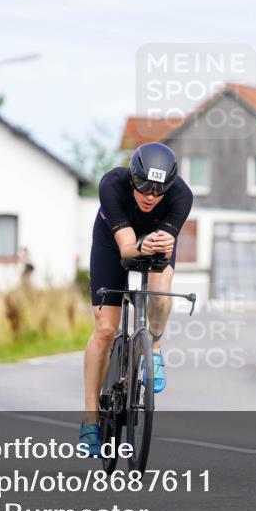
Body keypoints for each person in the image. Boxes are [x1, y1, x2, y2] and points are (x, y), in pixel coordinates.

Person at [80, 142, 193, 453]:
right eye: (144, 186)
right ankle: (90, 419)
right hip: (114, 240)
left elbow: (167, 245)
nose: (150, 196)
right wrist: (142, 246)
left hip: (157, 241)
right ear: (132, 178)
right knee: (105, 329)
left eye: (159, 190)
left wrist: (162, 243)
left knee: (160, 290)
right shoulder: (112, 185)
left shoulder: (182, 196)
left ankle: (154, 349)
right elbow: (128, 248)